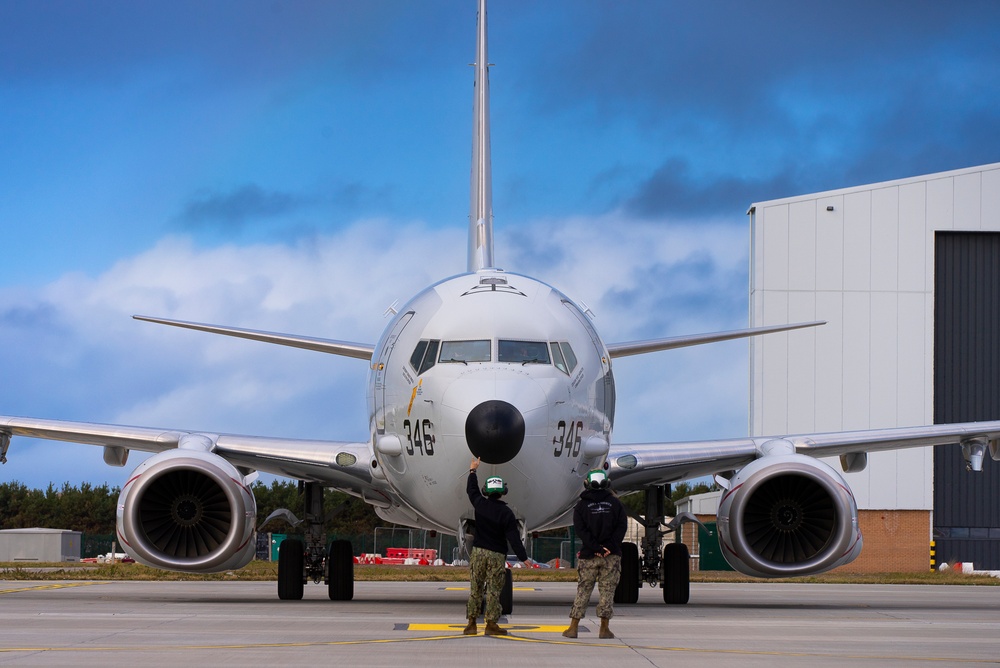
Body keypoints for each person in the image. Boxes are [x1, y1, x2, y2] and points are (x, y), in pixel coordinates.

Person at [463, 457, 532, 636]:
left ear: (486, 491)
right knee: (494, 590)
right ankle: (491, 624)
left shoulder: (479, 505)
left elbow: (471, 490)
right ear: (503, 492)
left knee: (475, 588)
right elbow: (514, 539)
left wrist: (473, 471)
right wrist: (523, 557)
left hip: (478, 552)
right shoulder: (507, 513)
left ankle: (471, 623)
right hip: (496, 555)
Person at [562, 468, 627, 639]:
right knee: (607, 592)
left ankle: (573, 627)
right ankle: (604, 629)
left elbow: (581, 531)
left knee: (583, 590)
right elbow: (621, 527)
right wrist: (609, 547)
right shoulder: (615, 504)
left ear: (587, 484)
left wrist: (595, 548)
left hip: (589, 555)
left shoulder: (581, 506)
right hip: (611, 556)